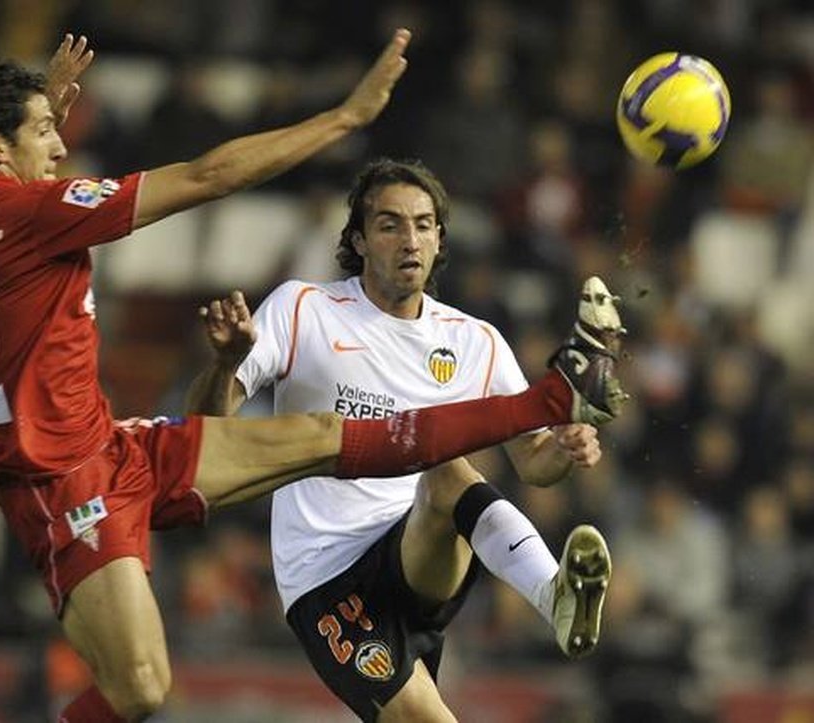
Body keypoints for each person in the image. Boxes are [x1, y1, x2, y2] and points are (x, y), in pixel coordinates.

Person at [0, 32, 625, 723]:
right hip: (62, 476)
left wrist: (35, 110)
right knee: (140, 688)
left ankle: (552, 412)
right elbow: (207, 175)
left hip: (112, 448)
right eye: (45, 131)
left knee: (339, 438)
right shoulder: (40, 217)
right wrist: (343, 119)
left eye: (423, 225)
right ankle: (553, 396)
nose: (62, 144)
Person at [187, 158, 622, 722]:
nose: (408, 239)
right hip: (327, 574)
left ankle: (553, 595)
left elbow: (534, 463)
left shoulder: (475, 341)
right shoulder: (303, 309)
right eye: (390, 224)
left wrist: (563, 447)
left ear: (440, 240)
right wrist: (226, 365)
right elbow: (205, 430)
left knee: (446, 471)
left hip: (418, 555)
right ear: (360, 240)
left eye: (422, 224)